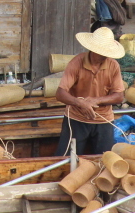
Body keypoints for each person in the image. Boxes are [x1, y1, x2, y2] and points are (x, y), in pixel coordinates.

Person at [54, 26, 126, 156]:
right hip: (77, 119)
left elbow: (119, 96)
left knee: (105, 160)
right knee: (65, 160)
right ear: (93, 50)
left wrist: (96, 100)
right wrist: (80, 103)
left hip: (104, 120)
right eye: (103, 51)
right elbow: (60, 93)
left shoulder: (113, 65)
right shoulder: (77, 62)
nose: (106, 55)